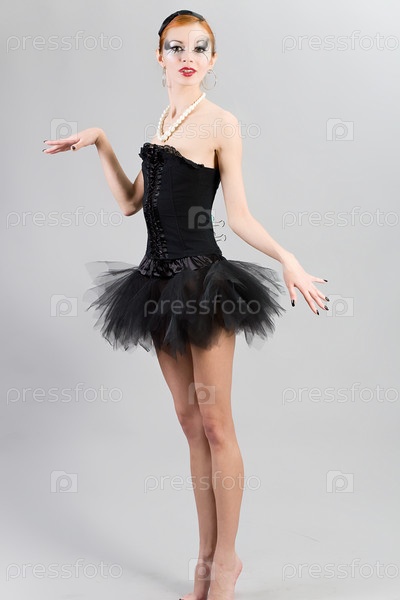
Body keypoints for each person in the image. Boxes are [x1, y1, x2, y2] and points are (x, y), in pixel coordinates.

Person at [43, 9, 330, 600]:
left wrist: (288, 258)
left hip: (203, 286)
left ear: (213, 59)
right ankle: (202, 559)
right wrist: (100, 141)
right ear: (160, 56)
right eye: (176, 47)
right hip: (154, 284)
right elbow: (131, 204)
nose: (188, 57)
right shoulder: (165, 123)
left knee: (217, 423)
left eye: (200, 47)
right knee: (189, 422)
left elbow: (239, 216)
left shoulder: (221, 123)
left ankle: (226, 562)